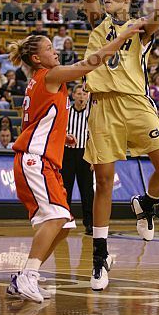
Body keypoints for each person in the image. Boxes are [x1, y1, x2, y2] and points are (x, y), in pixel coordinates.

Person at [6, 17, 144, 302]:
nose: (54, 51)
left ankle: (24, 276)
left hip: (41, 159)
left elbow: (37, 121)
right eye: (48, 48)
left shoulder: (39, 80)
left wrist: (61, 136)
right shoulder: (50, 76)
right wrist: (124, 36)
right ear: (37, 58)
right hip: (35, 161)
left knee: (65, 225)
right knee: (56, 218)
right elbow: (91, 62)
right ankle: (27, 277)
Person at [81, 0, 159, 291]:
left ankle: (146, 203)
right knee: (103, 181)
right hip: (104, 105)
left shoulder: (139, 28)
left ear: (128, 1)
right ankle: (99, 257)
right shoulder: (98, 23)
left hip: (137, 103)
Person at [61, 84, 94, 235]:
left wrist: (94, 158)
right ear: (73, 95)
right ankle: (65, 219)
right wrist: (66, 137)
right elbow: (58, 131)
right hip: (67, 154)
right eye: (79, 94)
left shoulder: (91, 113)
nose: (81, 96)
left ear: (88, 96)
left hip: (85, 154)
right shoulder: (66, 111)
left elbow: (95, 136)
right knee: (65, 189)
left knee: (87, 191)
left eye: (84, 94)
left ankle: (89, 223)